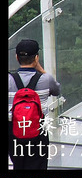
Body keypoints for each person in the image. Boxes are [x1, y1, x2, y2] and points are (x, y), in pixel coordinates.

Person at [8, 39, 60, 170]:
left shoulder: (9, 79)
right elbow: (57, 91)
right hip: (38, 131)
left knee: (18, 165)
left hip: (13, 130)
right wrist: (41, 69)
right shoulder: (46, 79)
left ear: (16, 57)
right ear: (36, 58)